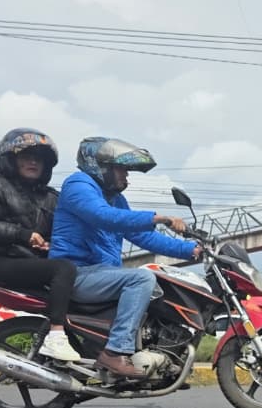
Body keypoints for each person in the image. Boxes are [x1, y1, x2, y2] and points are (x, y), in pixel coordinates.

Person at [49, 137, 199, 379]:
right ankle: (115, 352)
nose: (126, 176)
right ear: (101, 166)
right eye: (121, 169)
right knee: (141, 279)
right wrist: (158, 218)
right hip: (78, 273)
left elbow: (142, 236)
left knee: (161, 287)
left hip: (103, 274)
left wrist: (190, 250)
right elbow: (103, 217)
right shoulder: (78, 184)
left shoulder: (115, 199)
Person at [0, 129, 80, 361]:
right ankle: (56, 337)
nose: (34, 162)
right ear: (11, 160)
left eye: (39, 159)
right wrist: (22, 234)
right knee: (63, 268)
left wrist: (50, 244)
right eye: (27, 156)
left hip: (30, 263)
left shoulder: (50, 197)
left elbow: (64, 232)